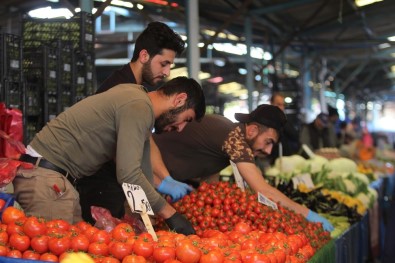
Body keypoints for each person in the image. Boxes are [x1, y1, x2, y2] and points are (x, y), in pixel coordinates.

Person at [14, 76, 206, 236]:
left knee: (77, 252)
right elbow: (129, 174)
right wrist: (170, 215)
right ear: (179, 100)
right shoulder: (138, 106)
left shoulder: (138, 101)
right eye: (186, 120)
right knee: (58, 251)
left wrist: (147, 215)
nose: (181, 129)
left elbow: (142, 170)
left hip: (58, 182)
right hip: (47, 180)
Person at [76, 21, 191, 224]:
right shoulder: (122, 89)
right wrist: (156, 187)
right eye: (164, 63)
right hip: (99, 186)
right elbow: (125, 163)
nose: (166, 73)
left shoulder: (138, 92)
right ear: (144, 56)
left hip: (113, 184)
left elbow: (146, 140)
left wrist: (165, 178)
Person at [153, 104, 334, 232]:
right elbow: (263, 190)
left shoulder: (227, 136)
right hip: (145, 173)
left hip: (159, 182)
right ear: (253, 130)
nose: (268, 150)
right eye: (268, 142)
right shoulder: (234, 139)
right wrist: (308, 215)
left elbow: (210, 184)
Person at [268, 92, 300, 163]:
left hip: (286, 159)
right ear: (271, 103)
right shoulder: (266, 121)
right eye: (279, 104)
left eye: (283, 105)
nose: (282, 107)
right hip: (271, 161)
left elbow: (295, 136)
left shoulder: (285, 120)